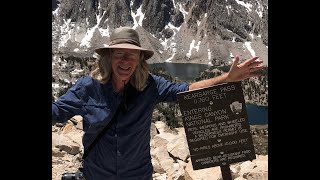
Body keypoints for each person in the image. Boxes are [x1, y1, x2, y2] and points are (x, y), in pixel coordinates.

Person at [52, 26, 264, 180]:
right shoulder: (87, 87)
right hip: (97, 174)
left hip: (137, 175)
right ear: (108, 57)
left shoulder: (150, 86)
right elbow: (57, 111)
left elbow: (184, 90)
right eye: (119, 54)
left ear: (139, 60)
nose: (125, 61)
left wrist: (226, 78)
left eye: (132, 55)